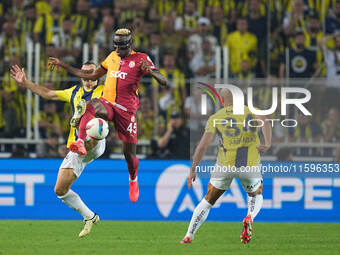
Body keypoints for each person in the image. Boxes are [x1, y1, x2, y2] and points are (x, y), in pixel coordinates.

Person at [48, 28, 168, 203]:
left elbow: (164, 81)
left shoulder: (141, 58)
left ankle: (133, 178)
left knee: (129, 155)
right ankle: (80, 142)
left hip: (126, 112)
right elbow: (90, 74)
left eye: (121, 45)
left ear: (129, 44)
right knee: (89, 106)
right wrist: (63, 65)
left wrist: (152, 72)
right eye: (116, 45)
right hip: (109, 104)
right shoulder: (111, 57)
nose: (118, 49)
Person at [10, 62, 104, 238]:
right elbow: (48, 93)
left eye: (92, 73)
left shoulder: (106, 91)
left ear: (97, 76)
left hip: (96, 141)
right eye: (84, 73)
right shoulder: (74, 92)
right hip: (77, 150)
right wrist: (26, 82)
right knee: (60, 190)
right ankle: (90, 216)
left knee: (96, 124)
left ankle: (82, 126)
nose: (88, 77)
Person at [180, 88, 271, 244]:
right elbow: (266, 122)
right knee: (257, 193)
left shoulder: (216, 118)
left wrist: (193, 169)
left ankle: (189, 235)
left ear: (221, 101)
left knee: (208, 200)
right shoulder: (249, 111)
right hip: (249, 165)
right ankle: (249, 216)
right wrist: (267, 143)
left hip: (224, 166)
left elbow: (202, 146)